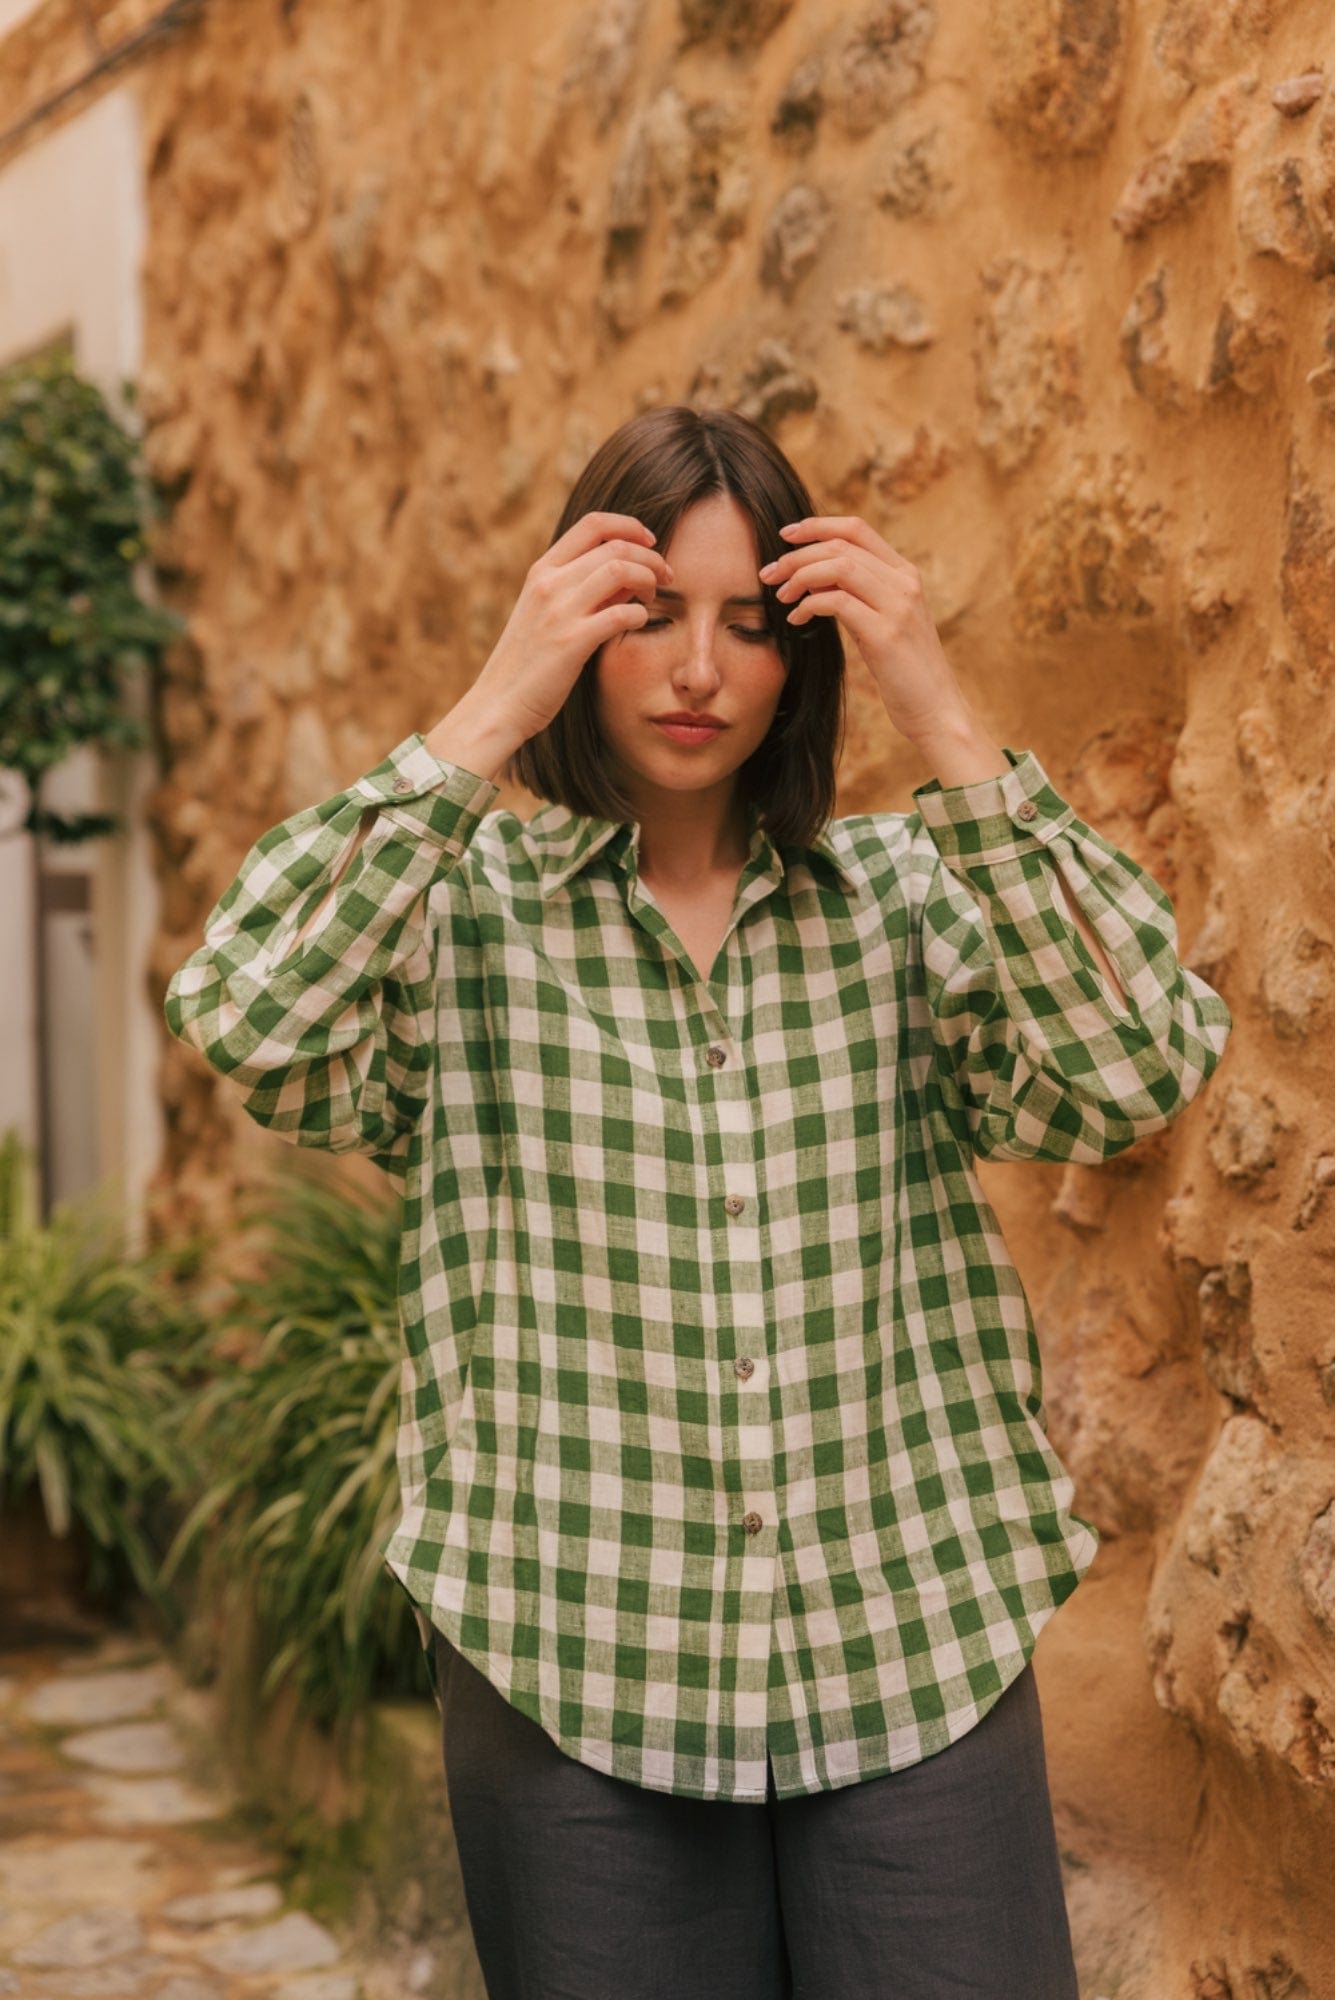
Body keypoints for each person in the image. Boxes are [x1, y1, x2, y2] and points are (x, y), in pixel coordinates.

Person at [165, 404, 1233, 1999]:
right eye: (647, 612)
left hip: (911, 1649)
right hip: (575, 1662)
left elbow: (1144, 1058)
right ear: (575, 624)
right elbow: (245, 1010)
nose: (696, 669)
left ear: (802, 656)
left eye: (750, 624)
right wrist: (493, 702)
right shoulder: (465, 921)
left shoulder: (907, 903)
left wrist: (941, 709)